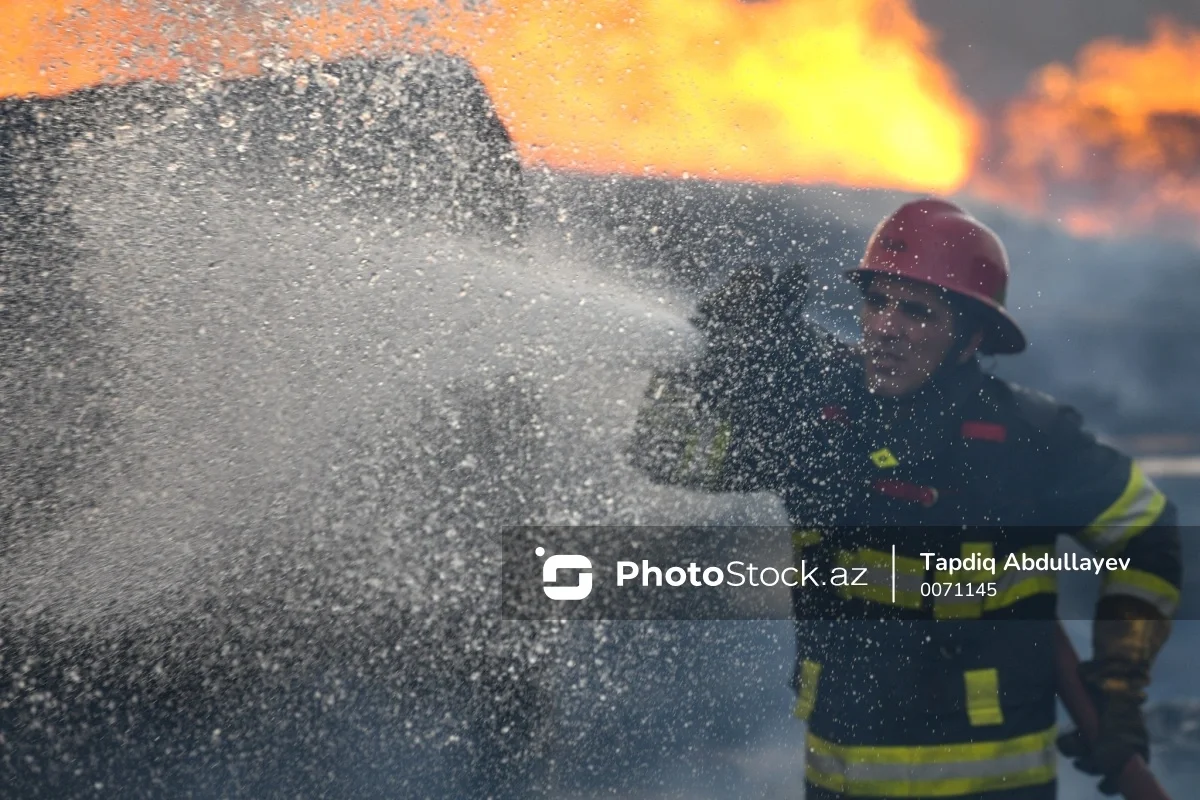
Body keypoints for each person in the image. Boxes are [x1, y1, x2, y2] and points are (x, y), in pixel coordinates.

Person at [629, 198, 1182, 799]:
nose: (887, 327)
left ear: (970, 339)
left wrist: (1120, 686)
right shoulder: (818, 422)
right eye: (876, 302)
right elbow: (669, 457)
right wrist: (707, 371)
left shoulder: (1029, 436)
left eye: (917, 312)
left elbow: (1147, 532)